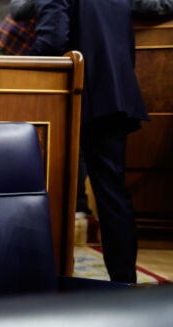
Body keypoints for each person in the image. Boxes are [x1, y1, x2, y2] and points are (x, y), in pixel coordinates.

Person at [31, 0, 150, 283]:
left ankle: (47, 277)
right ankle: (124, 280)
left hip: (71, 97)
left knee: (50, 187)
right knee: (113, 194)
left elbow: (51, 42)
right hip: (115, 96)